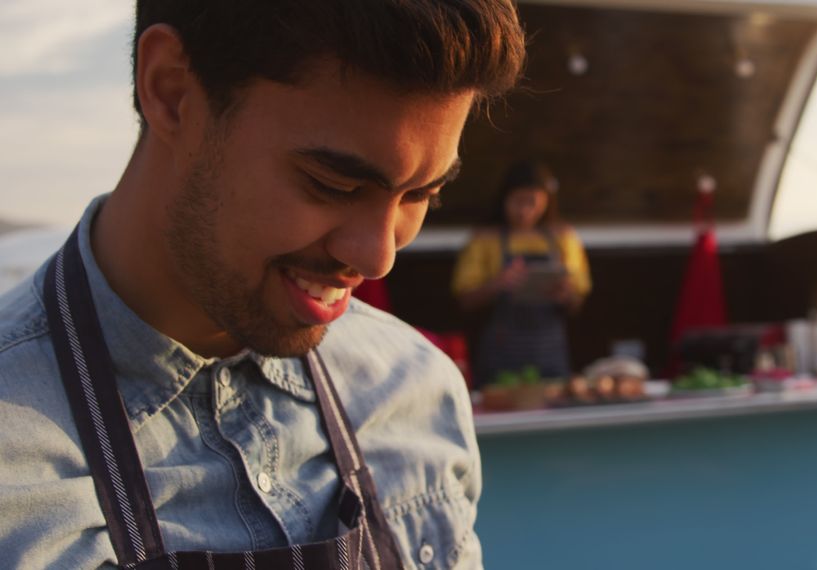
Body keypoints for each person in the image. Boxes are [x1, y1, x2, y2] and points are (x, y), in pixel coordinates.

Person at [0, 1, 525, 568]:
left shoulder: (416, 390)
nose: (378, 258)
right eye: (333, 184)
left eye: (421, 195)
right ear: (171, 90)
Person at [451, 160, 591, 386]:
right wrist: (498, 284)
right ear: (504, 198)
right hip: (502, 352)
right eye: (518, 201)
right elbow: (464, 299)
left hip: (550, 351)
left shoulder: (564, 237)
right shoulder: (485, 239)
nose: (525, 210)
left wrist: (566, 294)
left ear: (547, 201)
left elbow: (578, 299)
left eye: (533, 202)